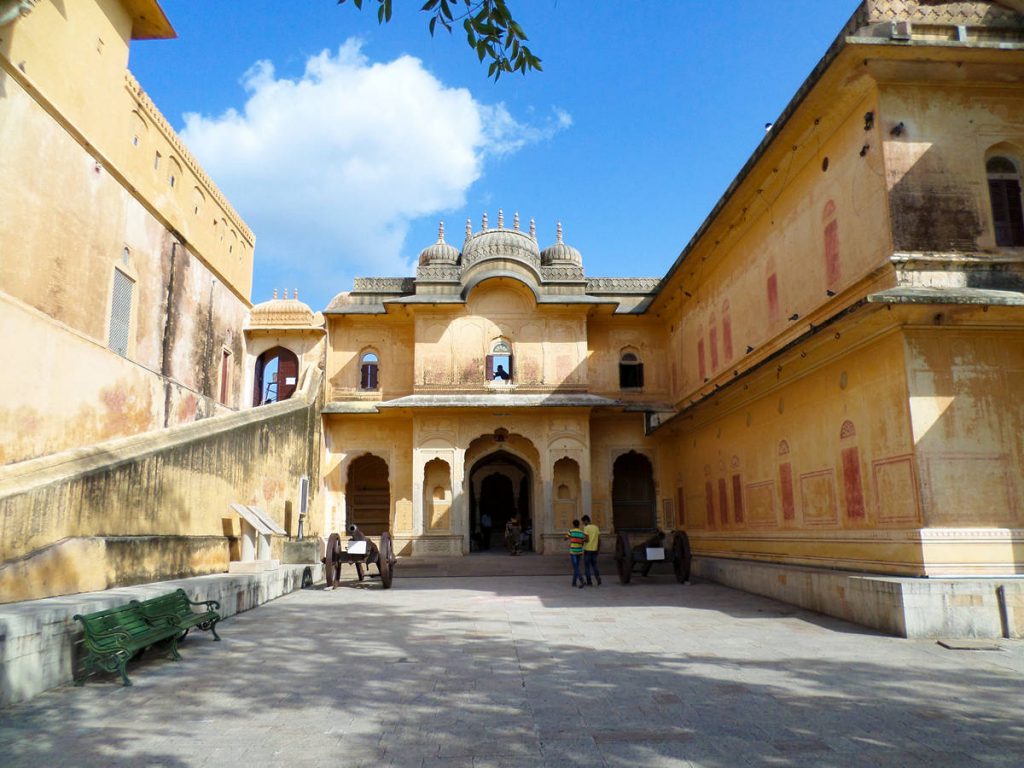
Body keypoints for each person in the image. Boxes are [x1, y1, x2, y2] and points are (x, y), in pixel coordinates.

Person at [582, 514, 602, 586]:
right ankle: (598, 577)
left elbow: (587, 539)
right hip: (595, 549)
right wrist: (598, 549)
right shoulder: (596, 527)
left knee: (587, 566)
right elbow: (599, 539)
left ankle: (589, 581)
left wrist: (582, 540)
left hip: (587, 549)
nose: (583, 523)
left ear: (586, 521)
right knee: (594, 565)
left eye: (583, 522)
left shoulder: (586, 528)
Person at [566, 519, 586, 588]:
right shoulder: (581, 532)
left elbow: (566, 538)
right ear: (578, 525)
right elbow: (584, 540)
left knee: (575, 567)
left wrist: (569, 538)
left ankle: (581, 579)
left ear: (573, 524)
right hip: (579, 551)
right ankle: (574, 582)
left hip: (573, 551)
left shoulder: (571, 531)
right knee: (576, 566)